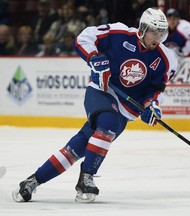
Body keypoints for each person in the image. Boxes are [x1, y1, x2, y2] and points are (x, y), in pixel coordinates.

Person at [12, 8, 177, 203]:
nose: (157, 38)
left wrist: (152, 106)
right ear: (142, 29)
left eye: (161, 33)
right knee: (107, 124)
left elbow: (155, 90)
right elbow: (84, 38)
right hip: (102, 91)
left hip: (125, 110)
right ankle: (86, 178)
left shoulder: (166, 59)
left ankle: (33, 181)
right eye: (153, 32)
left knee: (77, 147)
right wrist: (94, 57)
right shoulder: (119, 33)